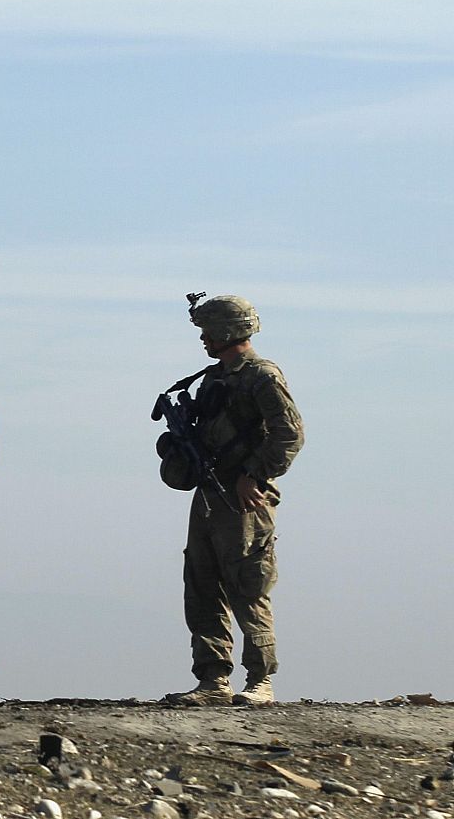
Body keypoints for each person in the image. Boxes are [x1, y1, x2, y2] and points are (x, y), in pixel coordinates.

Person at [158, 295, 303, 707]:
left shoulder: (261, 376)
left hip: (245, 498)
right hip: (210, 492)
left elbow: (289, 434)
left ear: (226, 330)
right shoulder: (214, 378)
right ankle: (212, 678)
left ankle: (259, 679)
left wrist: (253, 474)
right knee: (201, 584)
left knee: (247, 583)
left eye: (208, 331)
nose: (203, 339)